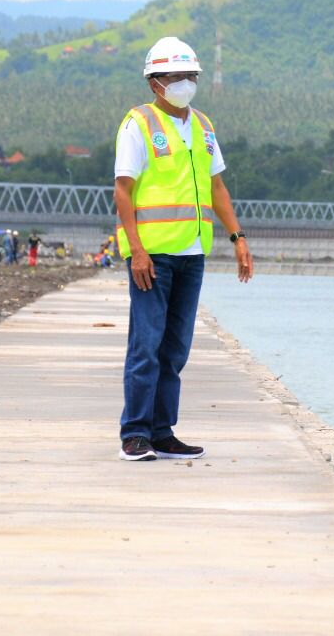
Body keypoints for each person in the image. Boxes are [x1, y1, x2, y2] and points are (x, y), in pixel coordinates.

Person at [113, 36, 253, 462]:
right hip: (151, 257)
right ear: (155, 82)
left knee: (175, 348)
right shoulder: (139, 124)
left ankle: (162, 430)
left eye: (191, 76)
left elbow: (217, 187)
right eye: (177, 77)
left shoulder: (203, 126)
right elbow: (123, 190)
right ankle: (135, 433)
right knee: (146, 345)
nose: (186, 83)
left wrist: (238, 237)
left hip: (192, 254)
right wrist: (136, 250)